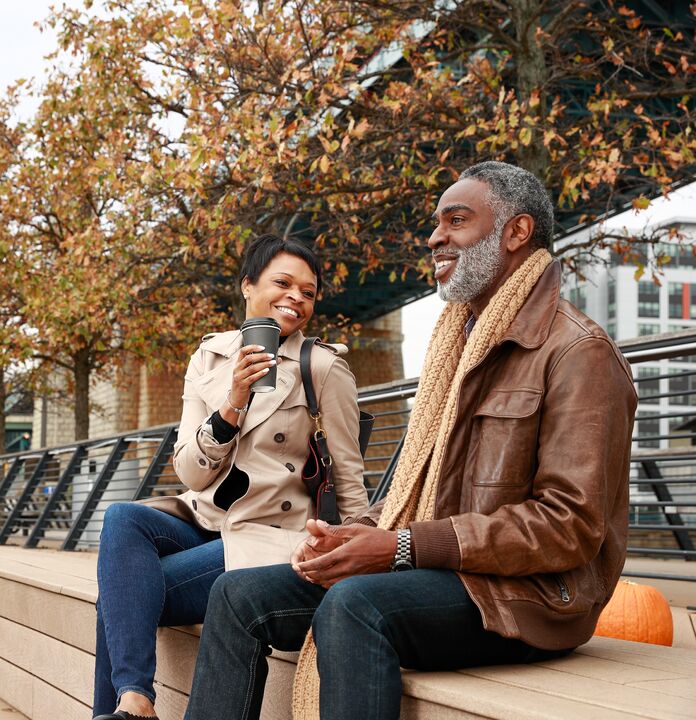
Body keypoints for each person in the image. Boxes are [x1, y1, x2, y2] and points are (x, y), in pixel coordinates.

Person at [183, 162, 638, 720]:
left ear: (517, 234)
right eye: (436, 223)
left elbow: (569, 527)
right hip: (441, 570)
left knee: (353, 605)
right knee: (235, 595)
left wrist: (402, 547)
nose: (434, 237)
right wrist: (360, 533)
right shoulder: (457, 345)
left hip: (528, 598)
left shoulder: (577, 353)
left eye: (456, 221)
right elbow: (418, 492)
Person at [93, 234, 369, 720]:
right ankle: (134, 698)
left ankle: (130, 704)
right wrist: (232, 402)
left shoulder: (322, 367)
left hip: (267, 533)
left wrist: (356, 550)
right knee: (122, 520)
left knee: (120, 597)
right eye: (282, 283)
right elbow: (188, 473)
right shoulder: (210, 358)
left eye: (308, 292)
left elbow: (347, 474)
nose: (296, 299)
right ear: (247, 287)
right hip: (206, 515)